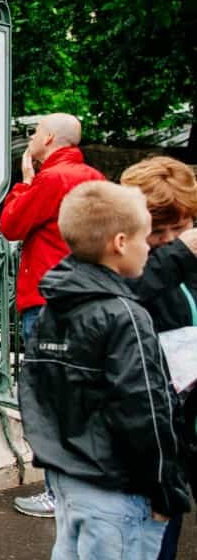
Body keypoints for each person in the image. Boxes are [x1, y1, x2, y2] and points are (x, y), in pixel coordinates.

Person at [19, 181, 190, 558]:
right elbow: (144, 409)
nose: (151, 248)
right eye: (145, 238)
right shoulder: (126, 314)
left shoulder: (54, 307)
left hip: (72, 479)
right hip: (121, 487)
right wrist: (166, 489)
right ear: (120, 243)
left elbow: (37, 393)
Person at [1, 113, 104, 518]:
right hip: (87, 294)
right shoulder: (94, 176)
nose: (30, 138)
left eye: (32, 132)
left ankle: (57, 492)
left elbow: (11, 225)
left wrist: (25, 181)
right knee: (80, 393)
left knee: (51, 398)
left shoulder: (52, 179)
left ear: (47, 137)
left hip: (48, 297)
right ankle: (83, 486)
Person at [119, 157, 197, 559]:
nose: (167, 239)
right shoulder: (122, 260)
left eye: (179, 228)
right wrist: (179, 254)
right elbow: (118, 300)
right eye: (156, 230)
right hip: (152, 438)